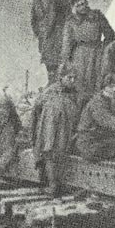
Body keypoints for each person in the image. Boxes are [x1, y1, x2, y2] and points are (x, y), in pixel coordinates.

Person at [32, 64, 81, 197]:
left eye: (74, 78)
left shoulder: (74, 93)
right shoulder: (51, 90)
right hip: (51, 127)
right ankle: (53, 185)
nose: (72, 81)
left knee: (61, 154)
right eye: (69, 77)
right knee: (50, 153)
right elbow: (37, 105)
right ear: (61, 77)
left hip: (66, 127)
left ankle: (58, 184)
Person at [61, 0, 115, 100]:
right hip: (79, 56)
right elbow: (67, 43)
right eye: (78, 5)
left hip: (97, 54)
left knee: (97, 83)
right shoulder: (70, 21)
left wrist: (103, 50)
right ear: (74, 7)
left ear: (87, 2)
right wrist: (65, 61)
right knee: (79, 83)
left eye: (83, 3)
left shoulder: (97, 16)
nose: (82, 7)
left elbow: (110, 35)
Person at [31, 0, 71, 83]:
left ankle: (59, 82)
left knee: (58, 60)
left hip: (58, 34)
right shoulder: (38, 0)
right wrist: (37, 32)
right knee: (48, 60)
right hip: (44, 37)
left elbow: (66, 15)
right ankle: (52, 81)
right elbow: (33, 19)